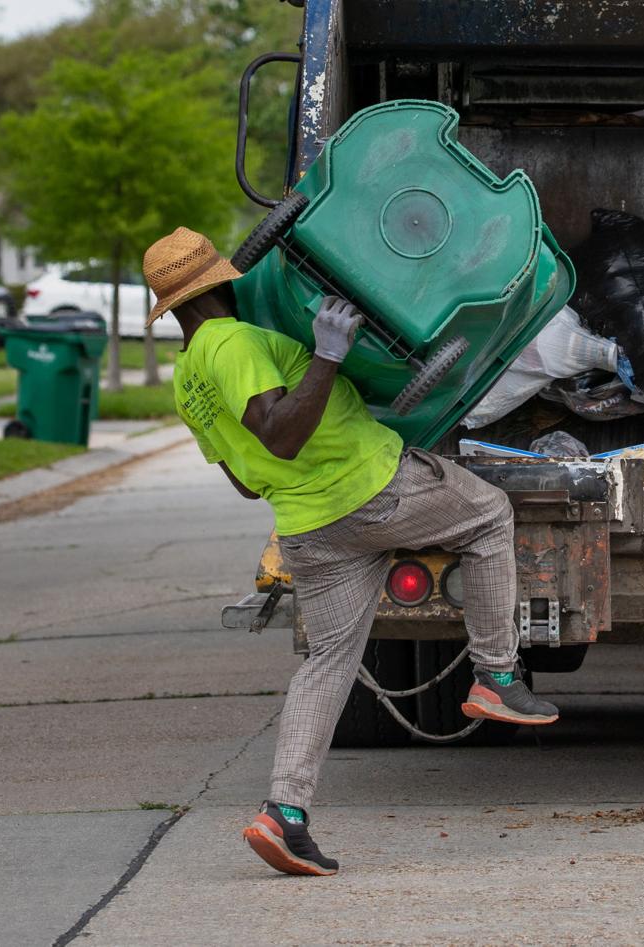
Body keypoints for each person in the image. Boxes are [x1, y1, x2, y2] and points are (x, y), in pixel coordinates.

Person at [142, 226, 559, 877]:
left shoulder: (186, 377)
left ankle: (285, 812)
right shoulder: (236, 342)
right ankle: (497, 674)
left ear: (169, 307)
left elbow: (247, 478)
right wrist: (329, 356)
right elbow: (279, 434)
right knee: (488, 516)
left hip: (310, 527)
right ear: (223, 280)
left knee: (327, 662)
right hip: (371, 488)